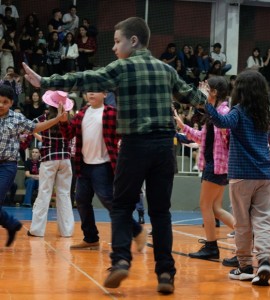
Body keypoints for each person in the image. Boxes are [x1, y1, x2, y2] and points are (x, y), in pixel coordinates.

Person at [22, 16, 207, 294]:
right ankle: (166, 273)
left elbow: (85, 78)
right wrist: (208, 100)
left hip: (134, 146)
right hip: (163, 148)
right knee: (160, 212)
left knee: (121, 206)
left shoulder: (121, 67)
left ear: (133, 41)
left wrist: (45, 80)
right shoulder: (166, 70)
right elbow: (195, 98)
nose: (113, 47)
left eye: (117, 41)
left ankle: (120, 260)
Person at [204, 70, 270, 286]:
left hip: (241, 175)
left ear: (240, 89)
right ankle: (265, 261)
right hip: (265, 175)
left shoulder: (238, 111)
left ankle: (246, 266)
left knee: (242, 223)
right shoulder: (264, 114)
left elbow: (221, 121)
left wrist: (209, 102)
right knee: (264, 221)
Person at [59, 91, 146, 250]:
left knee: (109, 201)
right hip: (84, 166)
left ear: (105, 94)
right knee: (81, 201)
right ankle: (91, 238)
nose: (90, 93)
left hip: (103, 166)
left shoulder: (112, 113)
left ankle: (137, 230)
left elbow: (125, 132)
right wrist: (64, 122)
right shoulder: (82, 113)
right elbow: (69, 134)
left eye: (95, 90)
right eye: (88, 91)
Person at [174, 76, 234, 260]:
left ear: (214, 92)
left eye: (206, 88)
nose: (202, 91)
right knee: (215, 207)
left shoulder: (223, 112)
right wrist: (183, 126)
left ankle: (211, 246)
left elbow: (227, 136)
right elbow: (202, 138)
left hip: (216, 166)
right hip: (215, 165)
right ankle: (249, 233)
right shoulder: (215, 112)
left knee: (205, 205)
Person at [0, 84, 67, 247]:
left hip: (7, 166)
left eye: (5, 102)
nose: (1, 105)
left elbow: (35, 127)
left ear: (11, 103)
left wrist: (57, 119)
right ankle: (12, 224)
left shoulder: (17, 119)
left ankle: (11, 224)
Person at [26, 91, 75, 237]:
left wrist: (37, 135)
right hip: (65, 159)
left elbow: (33, 129)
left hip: (48, 159)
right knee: (64, 194)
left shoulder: (43, 119)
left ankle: (37, 230)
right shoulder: (69, 119)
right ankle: (66, 231)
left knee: (44, 193)